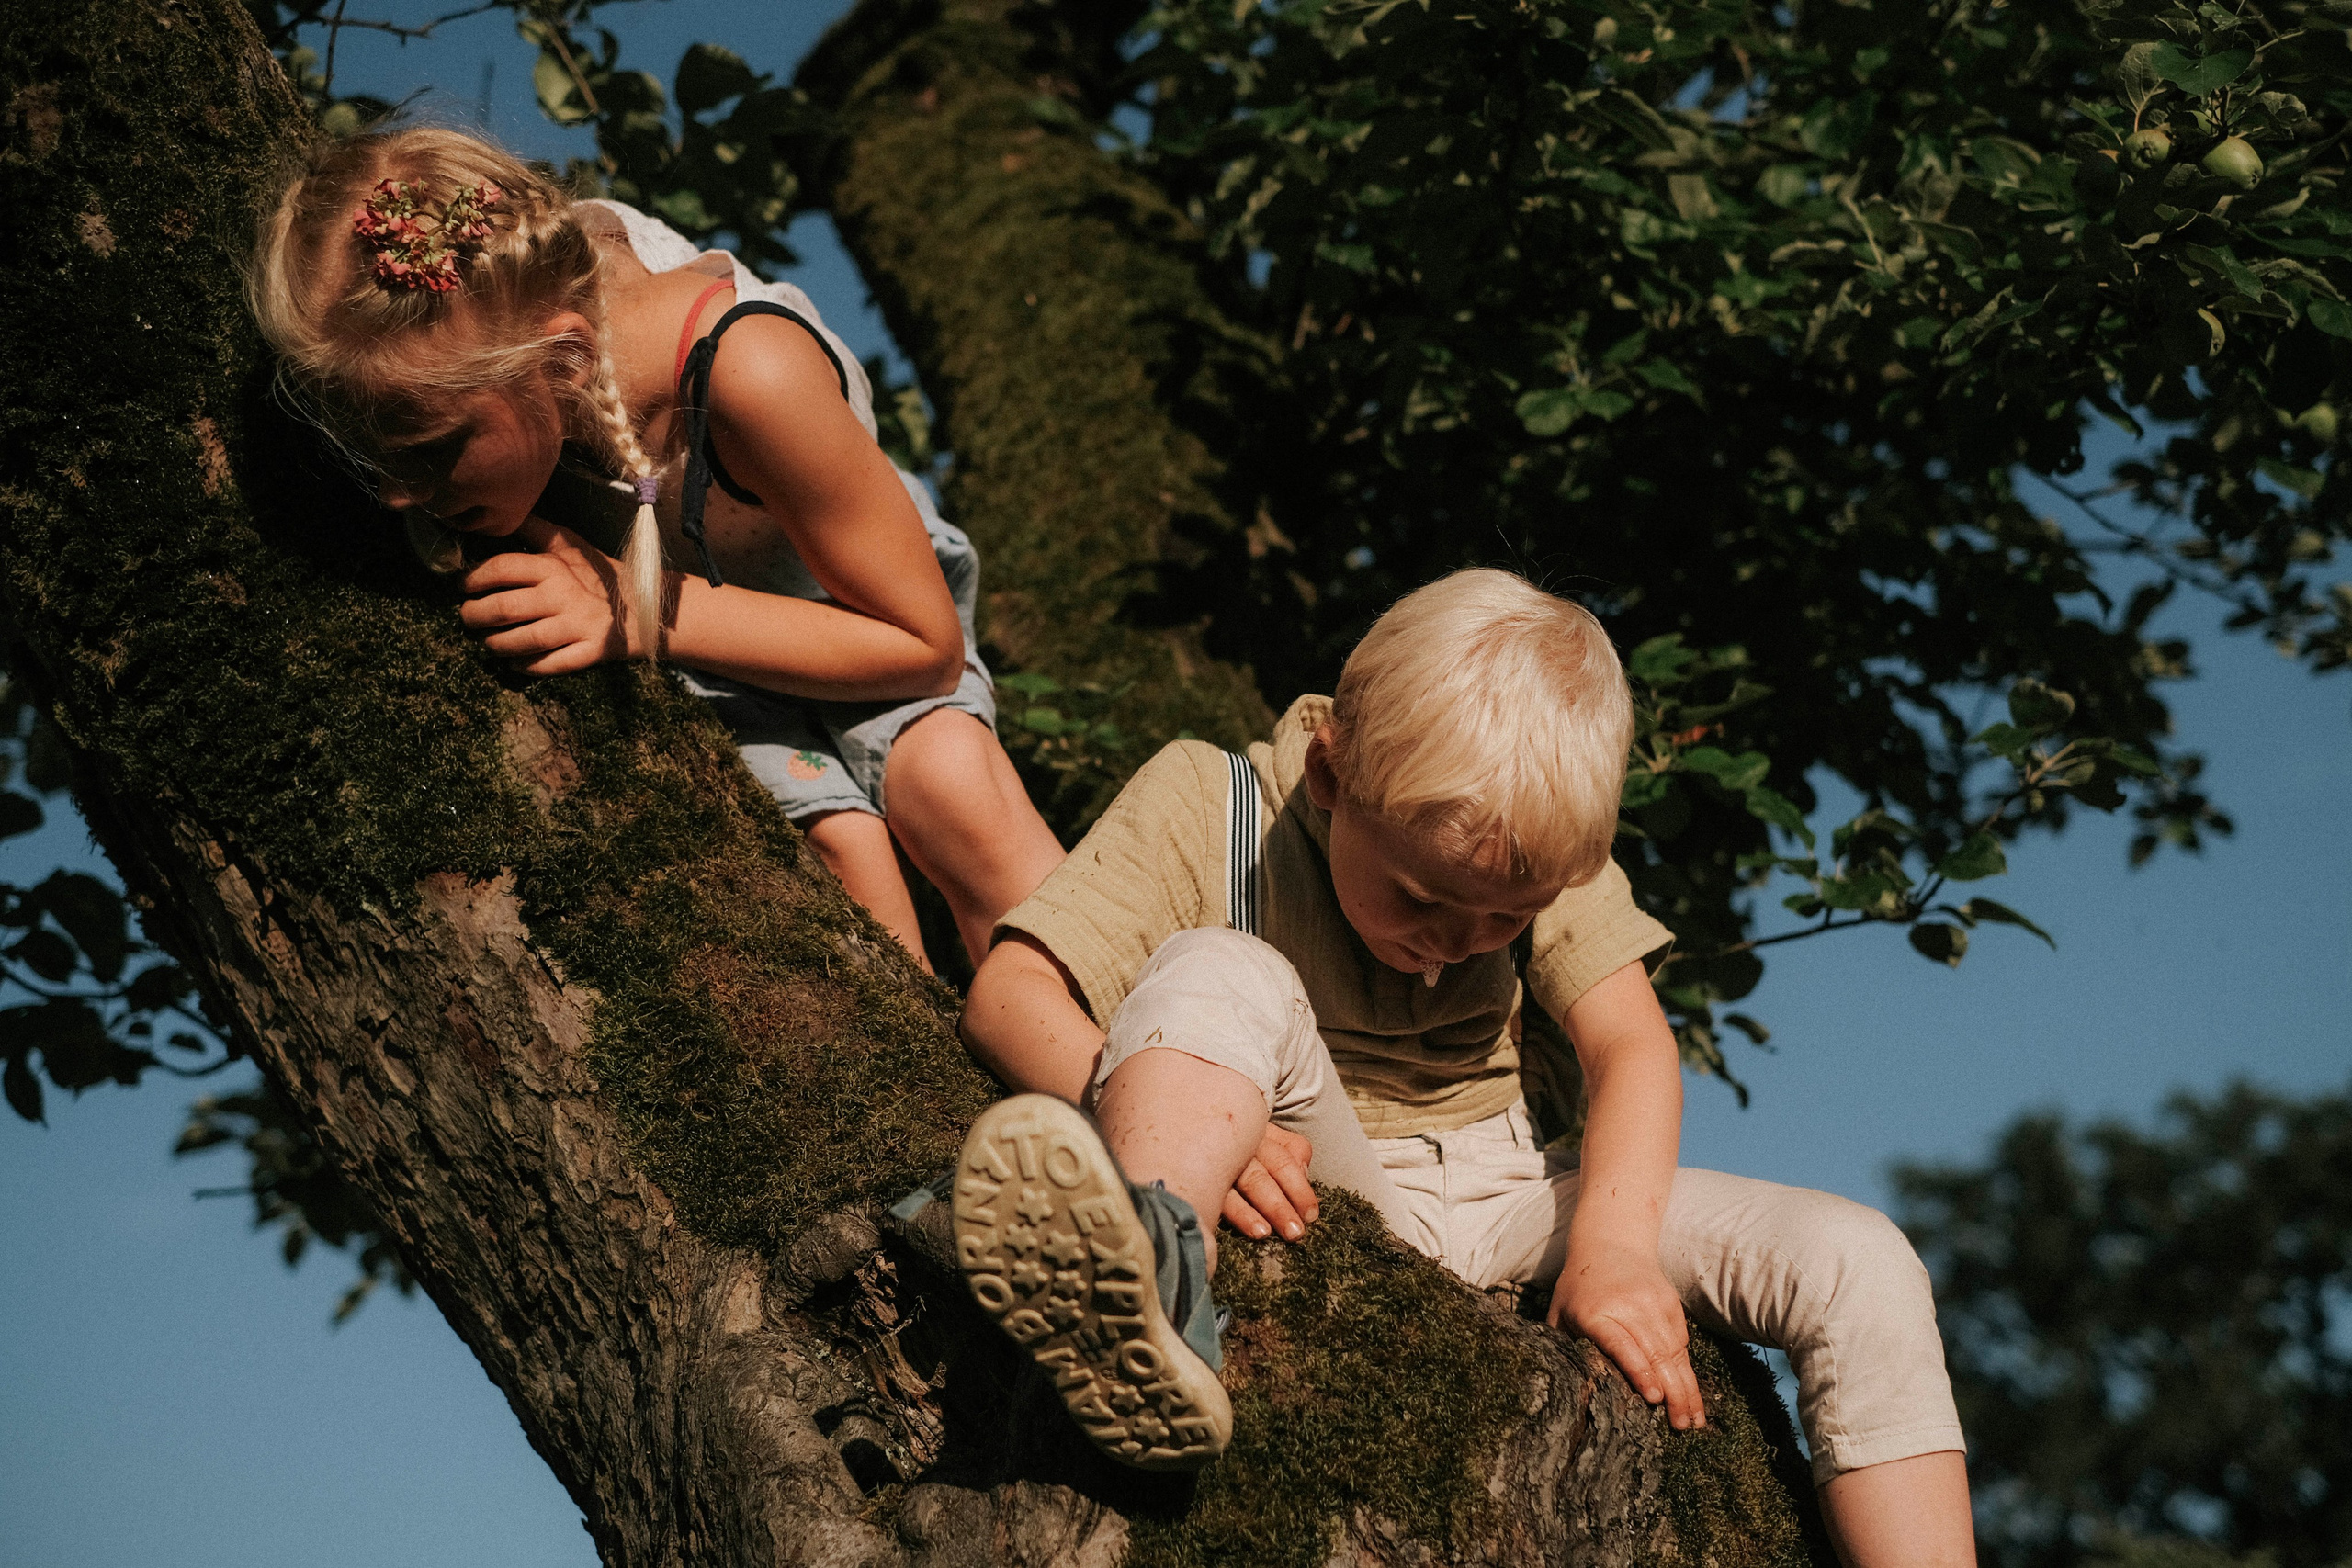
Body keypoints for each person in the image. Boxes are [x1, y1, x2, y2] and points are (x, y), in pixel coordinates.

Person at [949, 569, 1975, 1564]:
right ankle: (1147, 1275)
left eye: (1505, 919)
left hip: (1512, 1188)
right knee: (1223, 966)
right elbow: (1009, 997)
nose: (1456, 940)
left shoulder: (1528, 835)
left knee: (1859, 1257)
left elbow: (1630, 1050)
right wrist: (1172, 1107)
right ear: (1328, 777)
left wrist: (1613, 1248)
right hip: (1331, 1167)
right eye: (1419, 897)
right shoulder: (1210, 804)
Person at [245, 127, 1065, 972]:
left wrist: (635, 607)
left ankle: (1126, 1059)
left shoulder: (747, 369)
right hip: (715, 668)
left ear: (565, 358)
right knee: (850, 873)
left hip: (855, 617)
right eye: (370, 455)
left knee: (956, 786)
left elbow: (925, 647)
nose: (395, 493)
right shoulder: (492, 340)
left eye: (430, 448)